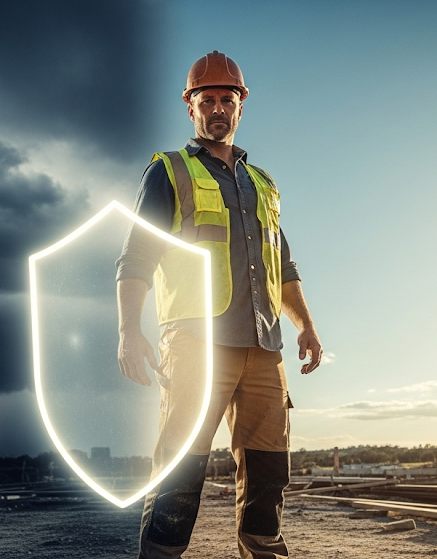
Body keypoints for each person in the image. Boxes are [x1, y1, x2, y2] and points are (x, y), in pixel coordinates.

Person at [116, 50, 323, 559]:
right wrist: (128, 330)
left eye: (226, 99)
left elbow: (285, 266)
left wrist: (307, 327)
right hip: (195, 343)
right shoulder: (169, 171)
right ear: (190, 107)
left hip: (264, 347)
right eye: (206, 99)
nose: (217, 108)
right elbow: (137, 255)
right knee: (180, 469)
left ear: (240, 107)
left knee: (269, 470)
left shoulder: (263, 184)